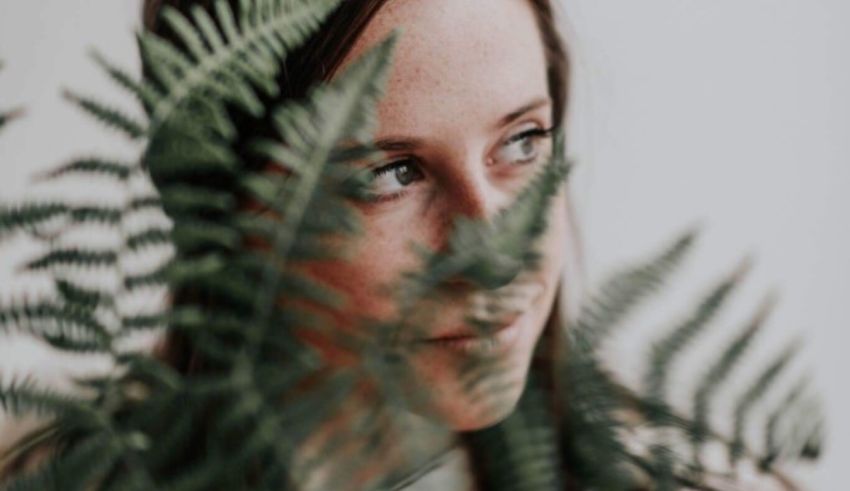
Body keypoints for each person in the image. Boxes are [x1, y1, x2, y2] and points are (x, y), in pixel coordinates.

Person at [142, 0, 584, 489]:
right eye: (391, 174)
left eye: (523, 140)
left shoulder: (655, 462)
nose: (498, 260)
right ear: (215, 204)